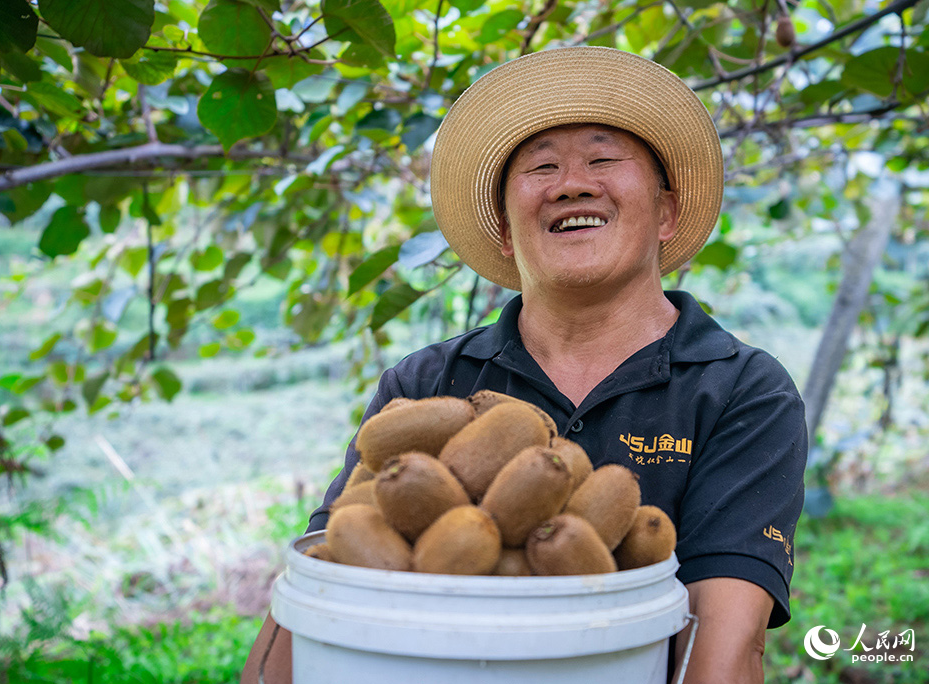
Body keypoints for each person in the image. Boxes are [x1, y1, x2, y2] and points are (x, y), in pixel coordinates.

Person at [242, 47, 806, 684]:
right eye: (542, 167)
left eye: (603, 160)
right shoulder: (426, 383)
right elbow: (323, 574)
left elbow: (725, 645)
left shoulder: (743, 390)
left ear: (667, 214)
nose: (572, 185)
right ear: (507, 232)